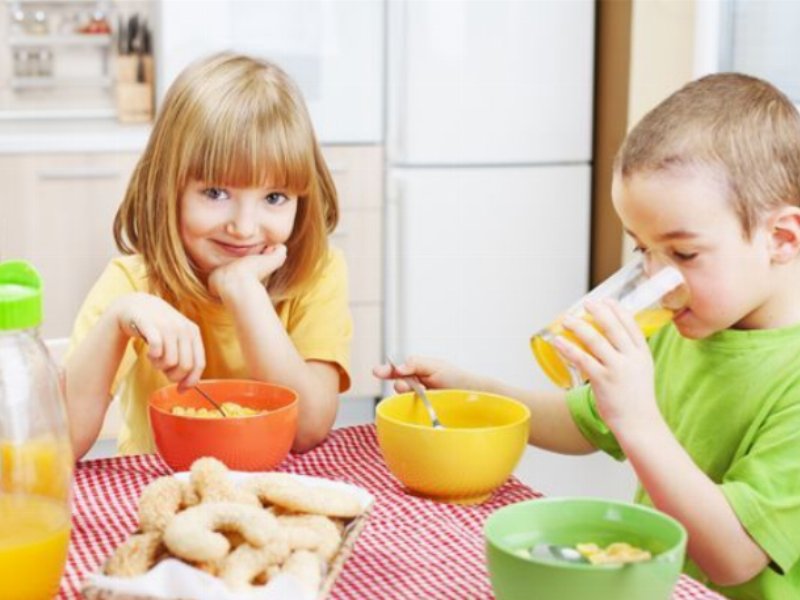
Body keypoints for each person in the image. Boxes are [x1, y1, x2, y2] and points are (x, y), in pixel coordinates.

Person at [375, 73, 800, 599]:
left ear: (781, 239)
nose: (655, 280)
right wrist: (471, 390)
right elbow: (582, 423)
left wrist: (637, 419)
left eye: (683, 254)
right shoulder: (683, 327)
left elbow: (734, 559)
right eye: (643, 250)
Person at [65, 53, 352, 459]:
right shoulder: (134, 285)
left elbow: (307, 430)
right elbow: (57, 445)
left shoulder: (317, 274)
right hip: (162, 490)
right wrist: (117, 320)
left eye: (274, 197)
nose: (244, 227)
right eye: (216, 193)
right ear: (169, 188)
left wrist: (242, 290)